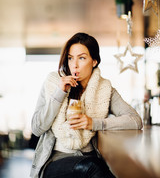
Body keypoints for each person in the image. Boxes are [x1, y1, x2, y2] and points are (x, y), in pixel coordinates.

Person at [30, 32, 143, 178]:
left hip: (89, 158)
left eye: (82, 58)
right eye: (70, 58)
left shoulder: (104, 88)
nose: (74, 65)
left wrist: (93, 123)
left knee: (109, 170)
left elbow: (135, 120)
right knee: (92, 168)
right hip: (57, 160)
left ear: (94, 61)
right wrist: (60, 93)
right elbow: (37, 128)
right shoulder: (53, 82)